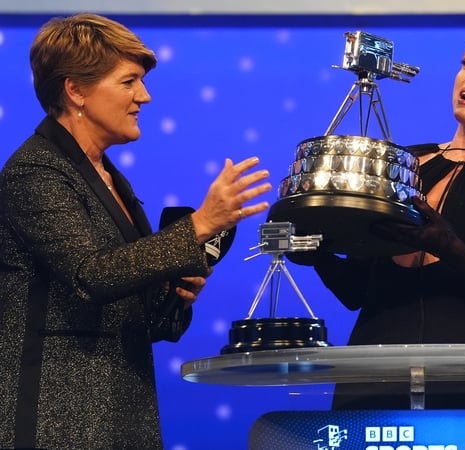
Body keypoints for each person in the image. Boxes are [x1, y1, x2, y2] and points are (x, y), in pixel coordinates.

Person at [0, 13, 271, 449]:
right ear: (76, 90)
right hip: (61, 420)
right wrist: (199, 225)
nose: (143, 97)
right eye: (128, 82)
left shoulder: (110, 179)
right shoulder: (36, 171)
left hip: (124, 412)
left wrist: (175, 294)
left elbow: (143, 315)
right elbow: (92, 275)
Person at [297, 25, 465, 409]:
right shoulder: (408, 162)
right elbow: (356, 291)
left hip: (462, 384)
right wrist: (315, 252)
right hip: (369, 377)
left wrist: (450, 248)